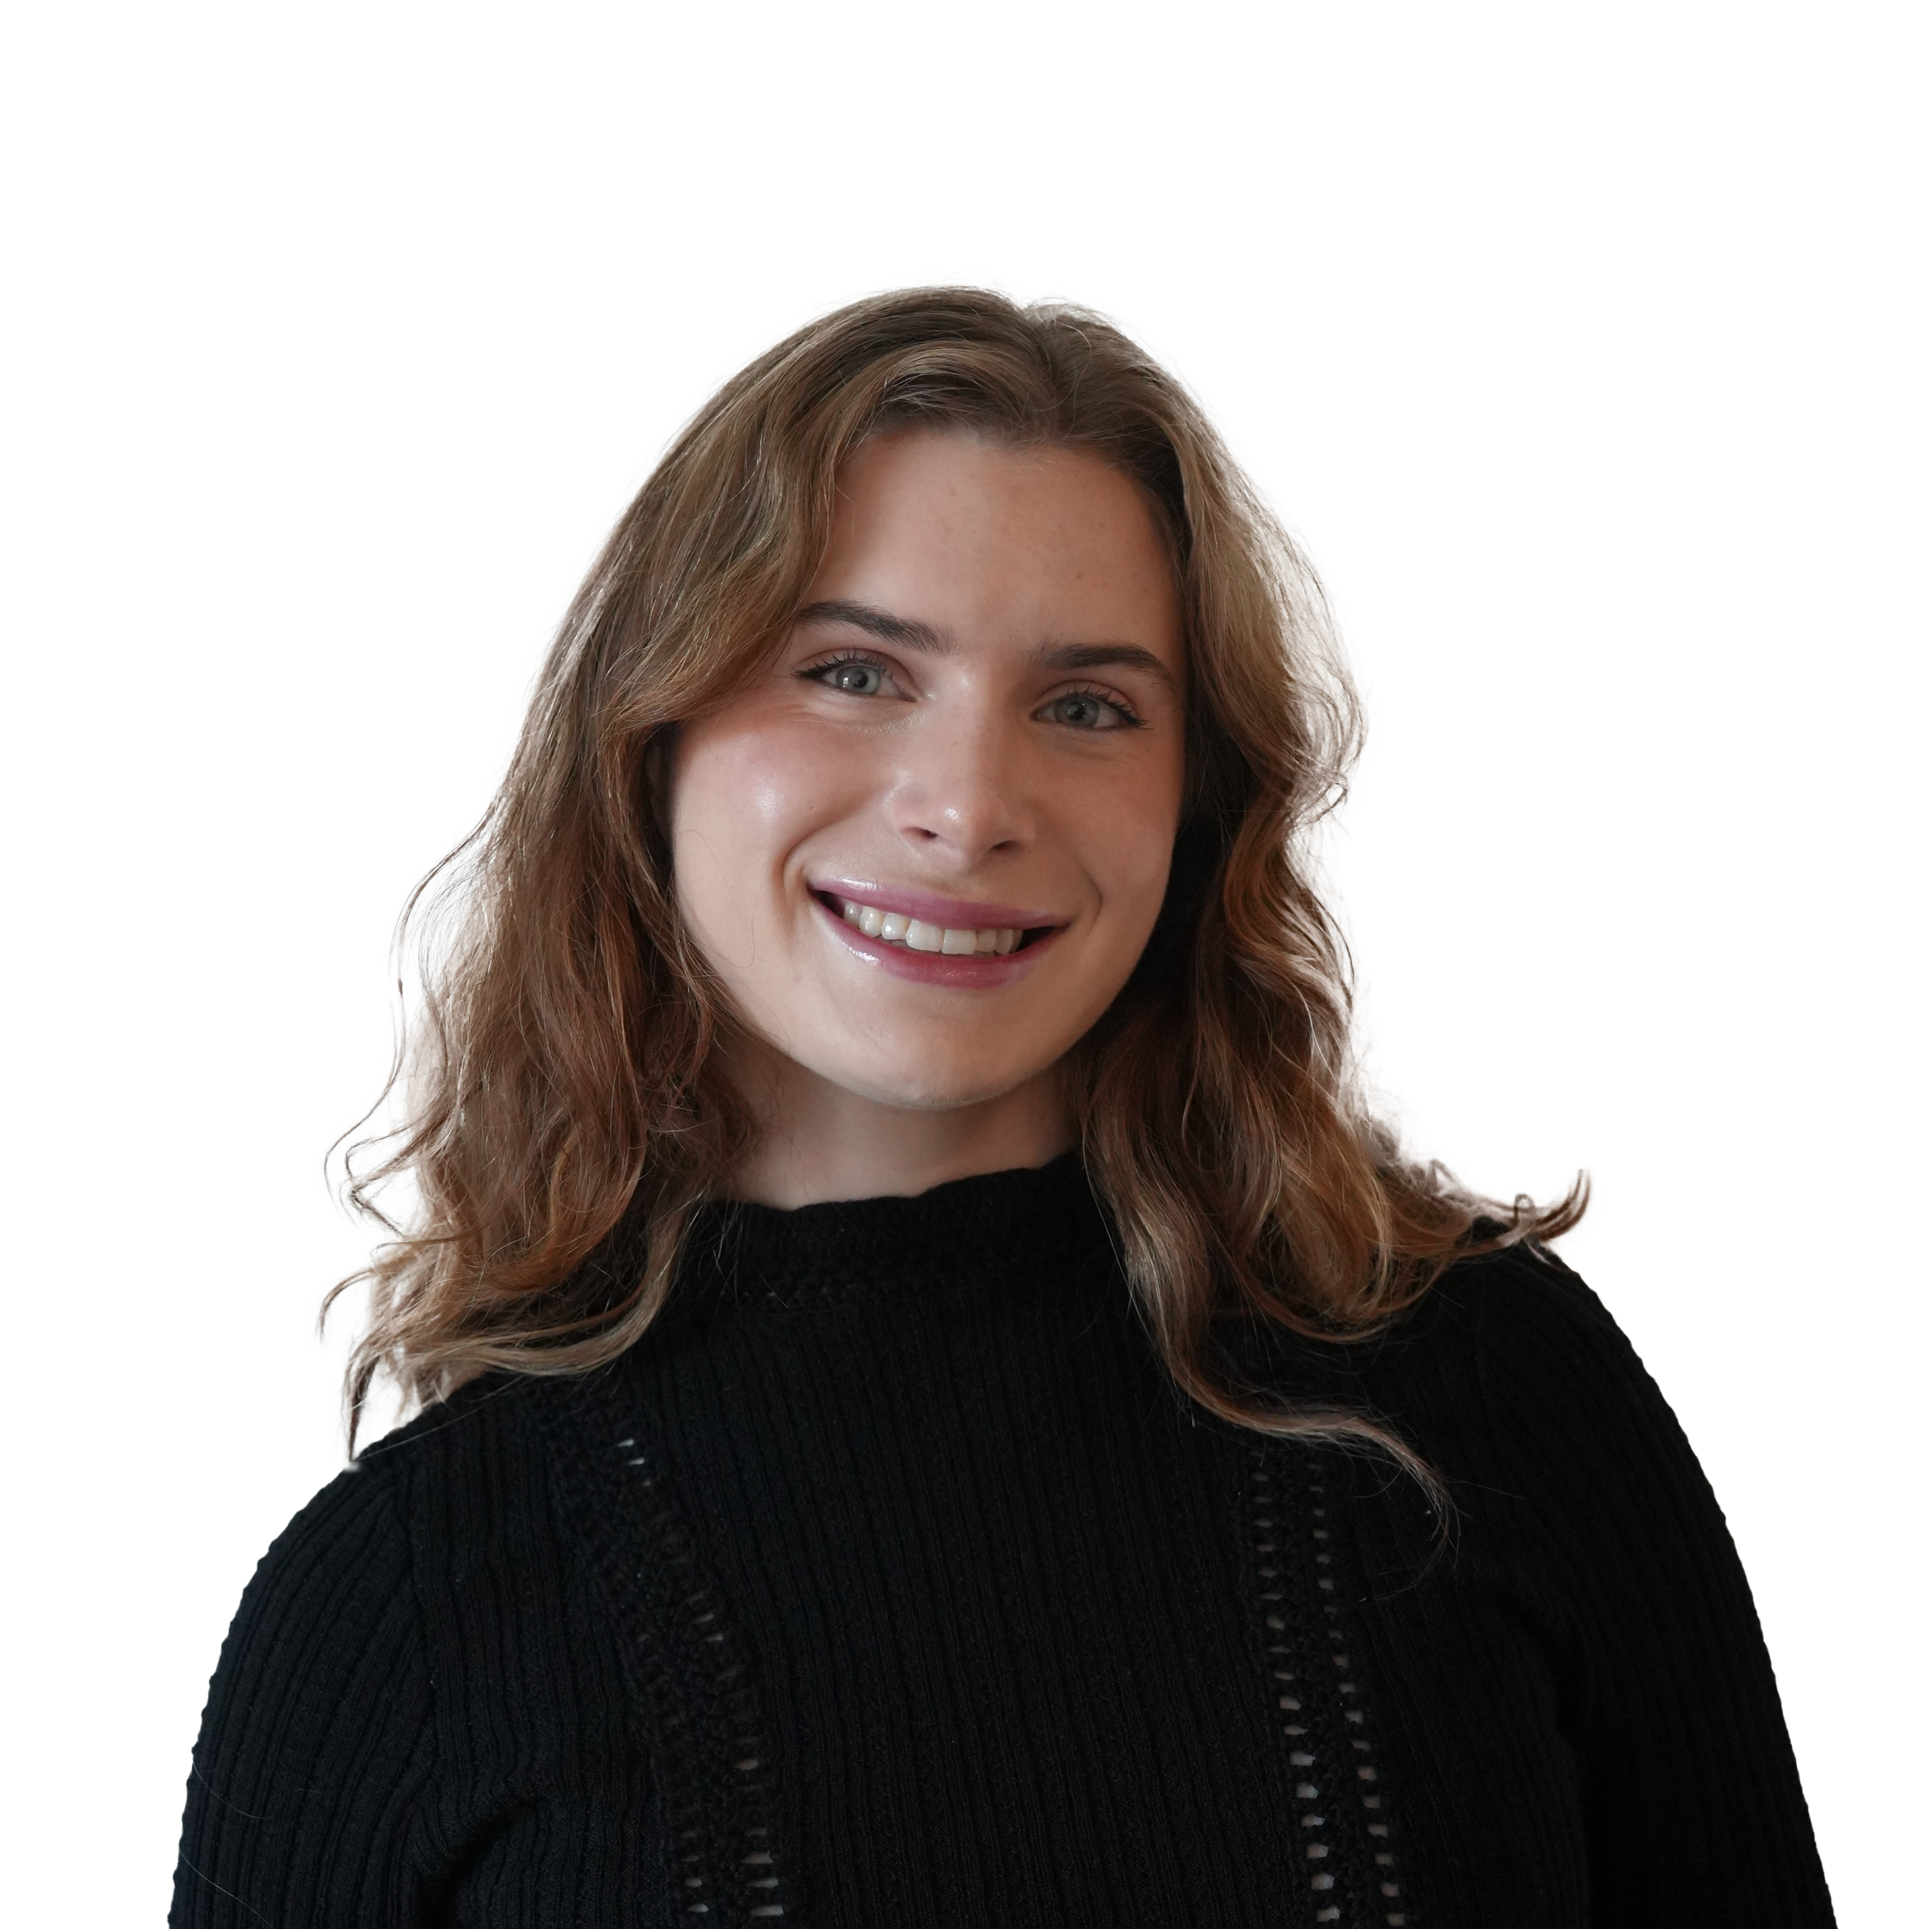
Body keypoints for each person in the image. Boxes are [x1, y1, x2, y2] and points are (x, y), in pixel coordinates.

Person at [172, 285, 1834, 1927]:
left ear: (1191, 809)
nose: (967, 808)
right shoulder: (400, 1596)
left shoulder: (1480, 1391)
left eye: (1086, 706)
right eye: (851, 671)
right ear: (648, 735)